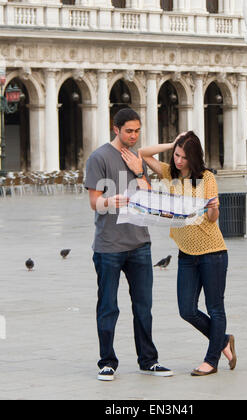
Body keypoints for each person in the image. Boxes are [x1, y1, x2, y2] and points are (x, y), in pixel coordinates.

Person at [121, 131, 237, 376]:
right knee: (187, 310)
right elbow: (142, 153)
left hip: (212, 251)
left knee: (215, 307)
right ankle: (223, 340)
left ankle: (211, 360)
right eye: (176, 155)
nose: (179, 160)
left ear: (194, 158)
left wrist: (214, 209)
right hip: (186, 254)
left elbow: (213, 219)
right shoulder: (169, 174)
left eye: (184, 157)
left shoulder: (206, 179)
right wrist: (173, 143)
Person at [84, 107, 173, 381]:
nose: (134, 136)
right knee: (108, 306)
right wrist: (110, 202)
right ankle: (107, 361)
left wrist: (138, 171)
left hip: (140, 243)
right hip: (109, 245)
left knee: (144, 306)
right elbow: (94, 203)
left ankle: (149, 360)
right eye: (129, 131)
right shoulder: (98, 158)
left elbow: (148, 196)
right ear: (116, 129)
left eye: (137, 131)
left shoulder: (138, 158)